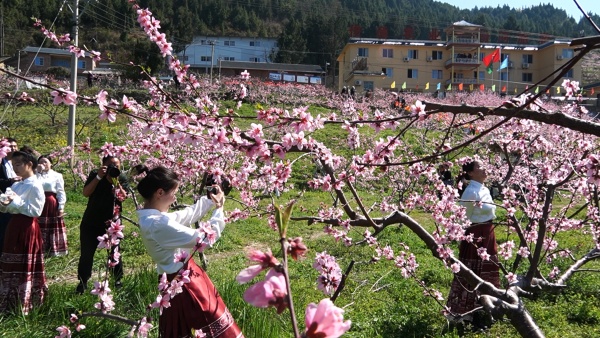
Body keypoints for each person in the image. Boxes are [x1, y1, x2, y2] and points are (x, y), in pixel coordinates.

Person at [135, 165, 243, 338]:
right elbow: (204, 239)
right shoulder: (157, 224)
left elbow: (188, 214)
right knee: (207, 326)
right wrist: (219, 209)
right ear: (160, 192)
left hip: (179, 279)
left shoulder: (151, 217)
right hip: (185, 286)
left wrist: (209, 199)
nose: (176, 196)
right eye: (174, 192)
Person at [446, 160, 500, 329]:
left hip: (488, 232)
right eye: (479, 167)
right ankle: (468, 315)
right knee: (473, 272)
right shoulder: (470, 192)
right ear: (470, 173)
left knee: (487, 270)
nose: (484, 169)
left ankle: (484, 309)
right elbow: (463, 217)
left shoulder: (484, 189)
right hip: (475, 235)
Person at [0, 150, 47, 314]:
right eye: (13, 165)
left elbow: (35, 211)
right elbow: (7, 207)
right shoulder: (17, 184)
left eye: (18, 164)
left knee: (24, 263)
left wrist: (16, 201)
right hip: (14, 225)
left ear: (30, 165)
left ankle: (23, 304)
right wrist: (5, 202)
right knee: (10, 261)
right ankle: (8, 302)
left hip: (27, 227)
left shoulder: (35, 185)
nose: (15, 168)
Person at [76, 155, 129, 294]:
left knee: (115, 252)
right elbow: (86, 193)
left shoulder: (121, 177)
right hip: (91, 222)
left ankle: (117, 280)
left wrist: (116, 183)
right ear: (103, 165)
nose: (114, 168)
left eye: (117, 165)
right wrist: (99, 177)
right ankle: (82, 282)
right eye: (111, 165)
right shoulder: (95, 174)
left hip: (113, 223)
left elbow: (123, 198)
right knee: (87, 253)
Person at [36, 155, 68, 257]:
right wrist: (38, 172)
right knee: (38, 225)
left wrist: (61, 207)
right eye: (41, 162)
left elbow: (60, 192)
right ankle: (39, 249)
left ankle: (53, 250)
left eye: (45, 162)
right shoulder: (35, 175)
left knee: (51, 226)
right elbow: (34, 185)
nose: (43, 164)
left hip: (50, 202)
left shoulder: (57, 175)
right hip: (38, 201)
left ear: (51, 163)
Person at [0, 138, 21, 256]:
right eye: (10, 146)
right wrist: (10, 181)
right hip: (4, 200)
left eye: (15, 146)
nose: (12, 149)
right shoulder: (1, 162)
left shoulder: (17, 162)